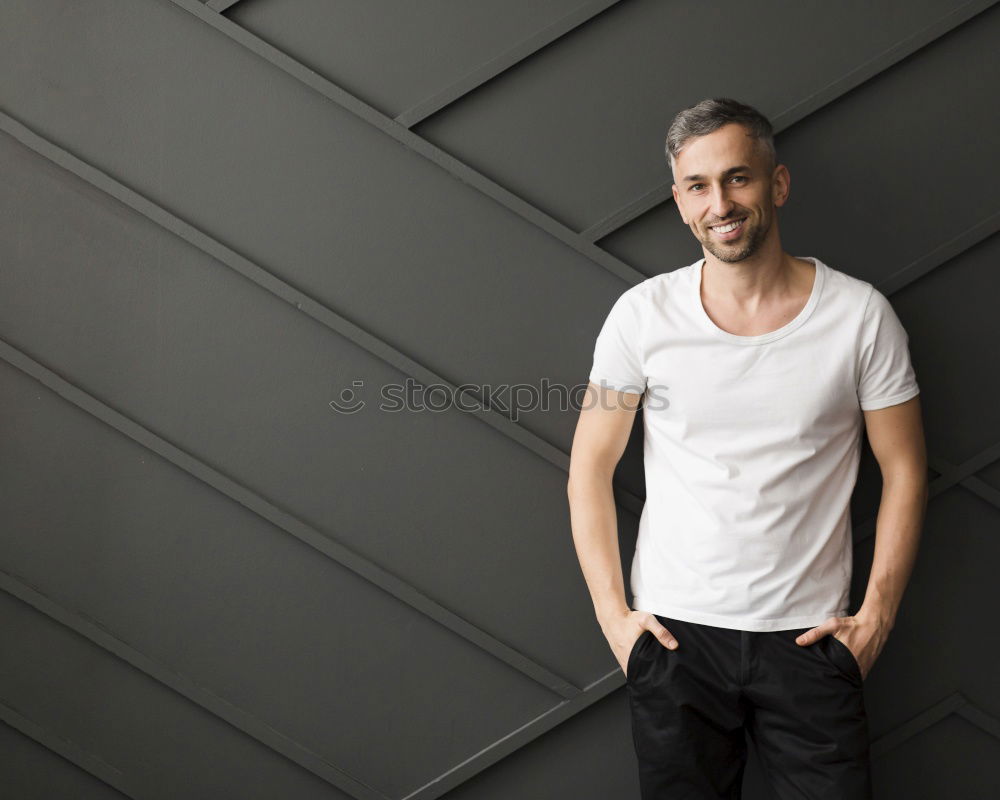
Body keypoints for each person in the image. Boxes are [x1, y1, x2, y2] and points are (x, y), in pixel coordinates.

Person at [566, 98, 928, 799]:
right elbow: (590, 466)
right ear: (679, 202)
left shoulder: (860, 317)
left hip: (810, 642)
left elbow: (906, 468)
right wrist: (616, 620)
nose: (720, 202)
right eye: (698, 186)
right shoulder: (643, 317)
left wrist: (876, 617)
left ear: (778, 184)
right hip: (675, 641)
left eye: (738, 178)